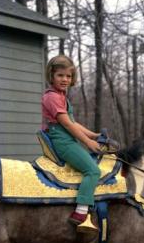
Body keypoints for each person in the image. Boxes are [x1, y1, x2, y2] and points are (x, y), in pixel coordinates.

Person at [41, 55, 101, 233]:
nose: (65, 80)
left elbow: (73, 122)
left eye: (68, 76)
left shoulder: (61, 96)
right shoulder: (52, 97)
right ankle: (81, 212)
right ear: (51, 76)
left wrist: (94, 135)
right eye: (60, 75)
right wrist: (88, 142)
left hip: (67, 138)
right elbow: (66, 124)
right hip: (62, 141)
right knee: (93, 170)